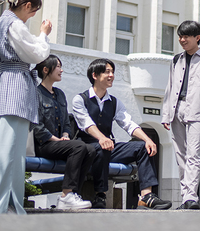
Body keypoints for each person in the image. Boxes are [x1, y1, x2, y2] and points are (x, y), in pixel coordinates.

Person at [0, 0, 52, 215]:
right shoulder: (14, 24)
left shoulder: (2, 22)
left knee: (0, 153)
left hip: (3, 86)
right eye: (32, 12)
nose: (32, 17)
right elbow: (38, 54)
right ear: (27, 6)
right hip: (15, 89)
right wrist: (43, 34)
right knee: (11, 153)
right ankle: (2, 209)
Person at [73, 58, 171, 210]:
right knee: (101, 147)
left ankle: (146, 196)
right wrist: (102, 138)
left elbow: (128, 123)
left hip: (107, 147)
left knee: (142, 147)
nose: (111, 75)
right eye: (107, 72)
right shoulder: (80, 99)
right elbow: (86, 124)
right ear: (95, 75)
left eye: (113, 72)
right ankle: (100, 194)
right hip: (87, 149)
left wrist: (147, 139)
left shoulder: (114, 102)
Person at [161, 20, 200, 210]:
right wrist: (165, 114)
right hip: (176, 108)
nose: (182, 39)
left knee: (194, 155)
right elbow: (170, 87)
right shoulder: (176, 59)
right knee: (180, 155)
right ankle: (186, 197)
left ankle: (190, 197)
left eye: (186, 36)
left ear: (198, 37)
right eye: (180, 36)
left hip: (197, 110)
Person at [33, 55, 95, 210]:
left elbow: (67, 123)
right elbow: (36, 126)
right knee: (80, 146)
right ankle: (66, 195)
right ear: (46, 70)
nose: (61, 70)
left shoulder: (60, 94)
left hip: (60, 144)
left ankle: (73, 194)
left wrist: (66, 135)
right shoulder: (35, 93)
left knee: (90, 150)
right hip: (44, 145)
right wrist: (55, 139)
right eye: (58, 66)